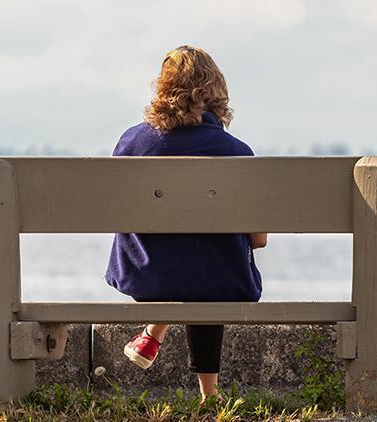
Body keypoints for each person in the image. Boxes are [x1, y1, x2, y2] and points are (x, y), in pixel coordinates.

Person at [105, 45, 267, 403]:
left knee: (183, 254)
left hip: (146, 276)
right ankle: (209, 394)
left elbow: (118, 216)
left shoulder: (132, 142)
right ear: (216, 91)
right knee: (209, 262)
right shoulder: (237, 152)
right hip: (220, 281)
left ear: (163, 88)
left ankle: (153, 331)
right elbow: (259, 239)